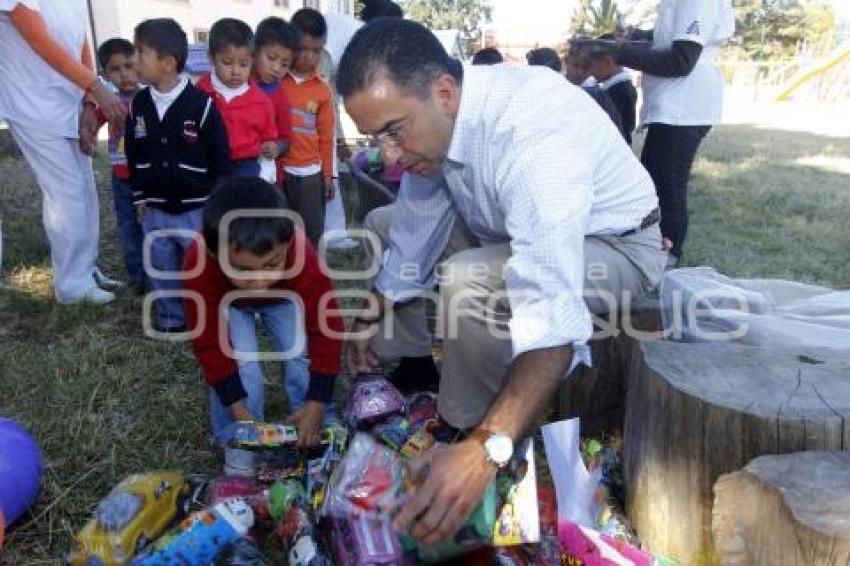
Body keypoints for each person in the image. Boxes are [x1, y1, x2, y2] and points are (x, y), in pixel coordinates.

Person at [337, 19, 666, 544]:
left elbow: (551, 314)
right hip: (514, 235)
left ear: (444, 92)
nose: (389, 156)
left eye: (394, 131)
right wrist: (370, 313)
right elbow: (416, 226)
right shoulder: (445, 120)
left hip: (617, 247)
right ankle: (411, 381)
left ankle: (462, 433)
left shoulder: (534, 138)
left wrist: (488, 445)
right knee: (382, 224)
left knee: (469, 279)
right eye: (376, 138)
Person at [183, 177, 344, 475]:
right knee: (243, 365)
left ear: (287, 244)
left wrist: (318, 399)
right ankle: (238, 443)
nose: (258, 282)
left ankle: (314, 421)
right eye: (242, 268)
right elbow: (209, 345)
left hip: (284, 296)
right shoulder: (198, 260)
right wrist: (240, 413)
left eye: (271, 263)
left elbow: (326, 326)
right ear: (215, 254)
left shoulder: (299, 252)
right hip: (229, 301)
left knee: (299, 352)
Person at [0, 0, 125, 304]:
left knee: (84, 187)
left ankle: (85, 269)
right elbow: (38, 40)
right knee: (65, 190)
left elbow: (81, 41)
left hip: (69, 98)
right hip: (32, 102)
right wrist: (96, 88)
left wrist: (87, 103)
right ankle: (71, 285)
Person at [126, 18, 231, 334]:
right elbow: (134, 151)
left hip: (195, 208)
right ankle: (172, 317)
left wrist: (214, 199)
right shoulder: (140, 103)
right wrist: (140, 195)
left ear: (168, 64)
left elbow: (220, 156)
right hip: (154, 208)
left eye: (141, 52)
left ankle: (206, 318)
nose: (134, 60)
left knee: (200, 267)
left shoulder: (201, 106)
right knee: (160, 266)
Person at [613, 0, 735, 264]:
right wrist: (635, 37)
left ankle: (669, 258)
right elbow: (668, 39)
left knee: (666, 185)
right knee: (656, 180)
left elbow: (680, 60)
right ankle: (655, 252)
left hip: (684, 106)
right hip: (675, 105)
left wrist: (619, 53)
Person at [280, 8, 336, 247]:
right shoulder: (275, 81)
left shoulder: (323, 90)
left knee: (311, 233)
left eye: (317, 50)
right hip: (280, 170)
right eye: (303, 49)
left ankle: (310, 276)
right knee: (281, 229)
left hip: (310, 174)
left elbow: (326, 136)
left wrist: (328, 175)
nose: (310, 56)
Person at [196, 18, 278, 179]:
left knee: (244, 203)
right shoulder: (200, 92)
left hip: (245, 166)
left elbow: (269, 137)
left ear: (252, 62)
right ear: (212, 58)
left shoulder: (260, 101)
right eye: (227, 62)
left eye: (243, 64)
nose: (236, 72)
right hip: (208, 164)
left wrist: (271, 147)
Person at [95, 38, 145, 294]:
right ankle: (137, 278)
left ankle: (157, 274)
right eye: (116, 69)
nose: (125, 74)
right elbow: (92, 123)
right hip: (122, 178)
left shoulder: (150, 97)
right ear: (105, 74)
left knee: (151, 225)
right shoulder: (109, 103)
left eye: (129, 66)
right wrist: (87, 132)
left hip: (149, 177)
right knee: (128, 227)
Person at [253, 17, 300, 184]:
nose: (276, 68)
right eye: (271, 58)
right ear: (255, 50)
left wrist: (277, 148)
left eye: (284, 64)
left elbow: (287, 140)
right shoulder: (238, 84)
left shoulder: (280, 96)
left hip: (268, 178)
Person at [562, 40, 625, 139]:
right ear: (566, 61)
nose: (580, 72)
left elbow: (614, 128)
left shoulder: (598, 95)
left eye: (585, 68)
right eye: (576, 66)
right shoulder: (557, 88)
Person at [587, 40, 638, 145]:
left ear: (607, 62)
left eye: (592, 65)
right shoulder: (624, 86)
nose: (591, 72)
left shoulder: (617, 91)